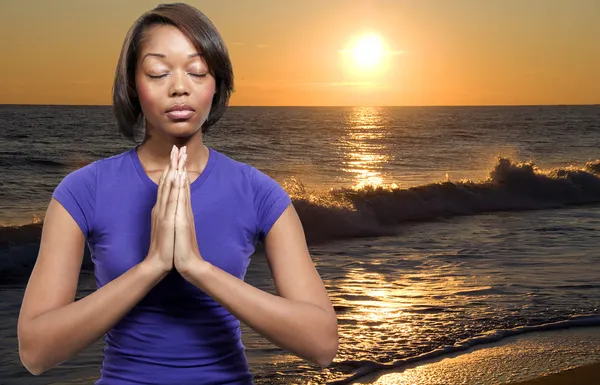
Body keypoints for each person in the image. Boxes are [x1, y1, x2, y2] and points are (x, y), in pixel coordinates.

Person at [17, 3, 339, 384]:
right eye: (158, 72)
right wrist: (152, 266)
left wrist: (195, 267)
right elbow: (35, 353)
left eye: (197, 70)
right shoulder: (83, 190)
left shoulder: (259, 192)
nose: (179, 86)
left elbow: (322, 344)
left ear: (217, 81)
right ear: (133, 86)